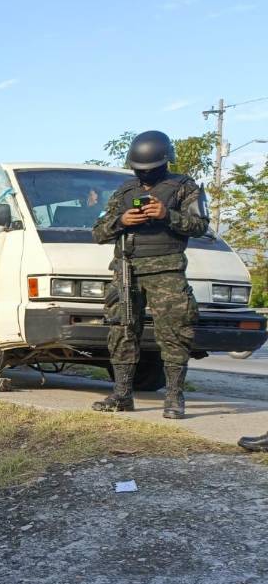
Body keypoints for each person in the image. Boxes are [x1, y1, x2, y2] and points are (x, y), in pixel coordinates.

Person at [91, 130, 209, 419]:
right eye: (138, 169)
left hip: (167, 271)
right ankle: (121, 395)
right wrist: (121, 220)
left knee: (175, 333)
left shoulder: (184, 187)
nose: (143, 175)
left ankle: (173, 398)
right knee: (122, 331)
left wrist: (166, 215)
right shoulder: (124, 191)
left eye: (149, 170)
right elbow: (98, 232)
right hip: (127, 270)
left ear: (164, 162)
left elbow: (199, 226)